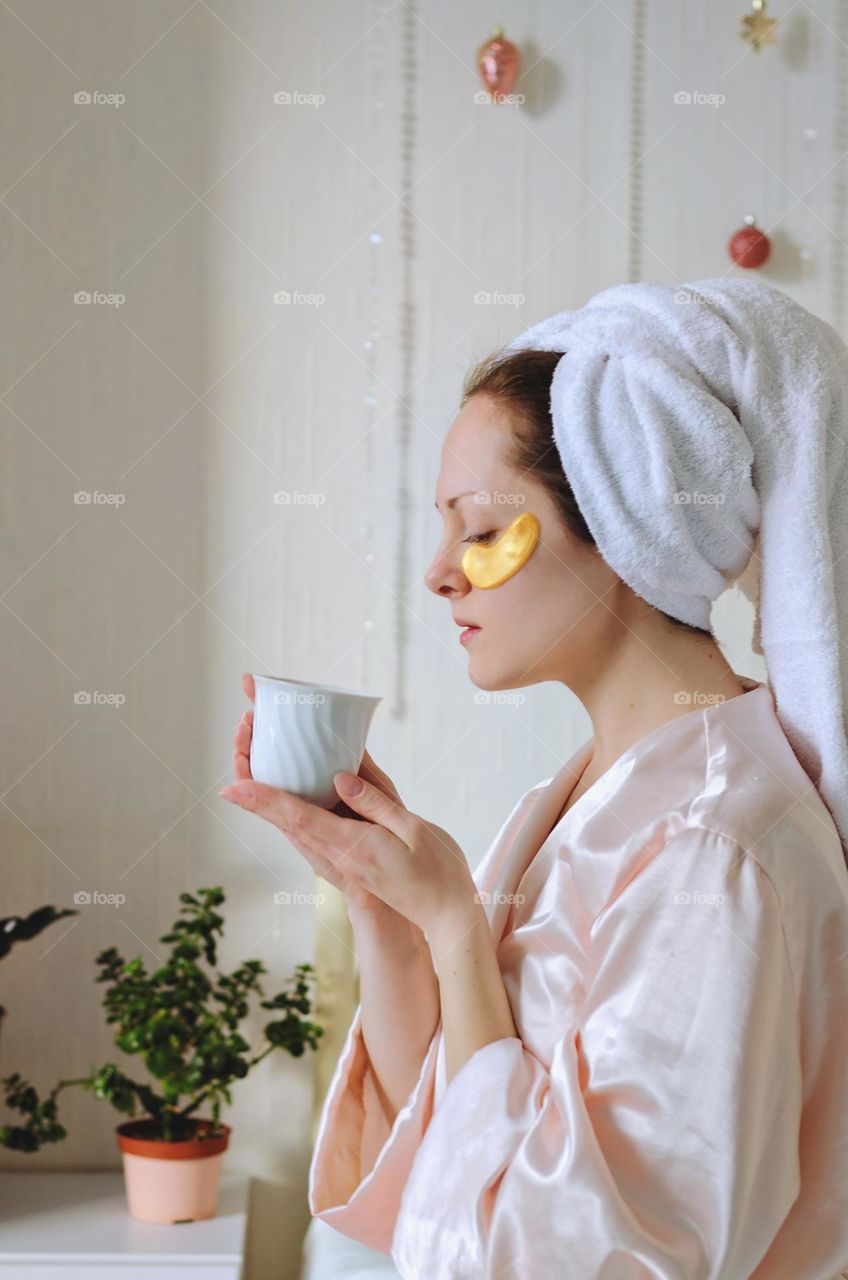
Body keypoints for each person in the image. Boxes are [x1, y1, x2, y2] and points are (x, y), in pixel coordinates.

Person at [221, 280, 848, 1279]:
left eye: (478, 529)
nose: (438, 572)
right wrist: (388, 907)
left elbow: (573, 1258)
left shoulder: (717, 845)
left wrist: (461, 935)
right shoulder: (573, 801)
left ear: (623, 521)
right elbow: (439, 1160)